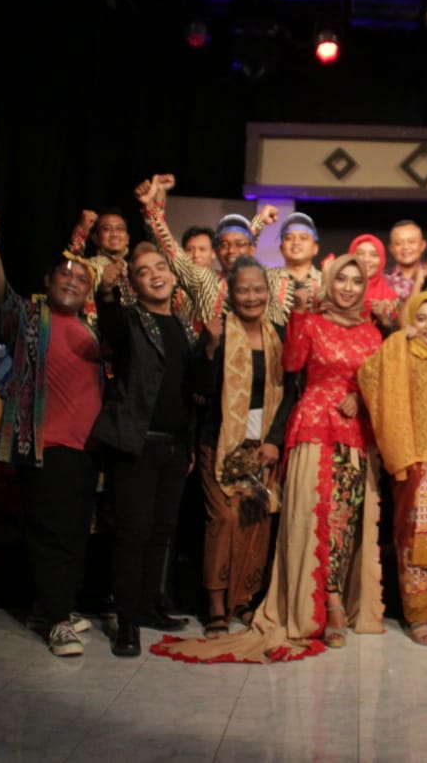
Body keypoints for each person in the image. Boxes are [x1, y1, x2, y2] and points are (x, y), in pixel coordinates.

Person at [152, 255, 384, 663]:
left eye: (356, 281)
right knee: (274, 520)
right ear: (329, 283)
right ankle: (261, 606)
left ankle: (271, 601)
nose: (348, 287)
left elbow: (377, 384)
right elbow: (289, 368)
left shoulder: (368, 334)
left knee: (324, 522)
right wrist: (297, 316)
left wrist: (360, 398)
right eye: (341, 279)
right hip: (285, 434)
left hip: (335, 438)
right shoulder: (301, 324)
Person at [0, 200, 104, 658]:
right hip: (45, 443)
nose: (71, 280)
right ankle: (57, 622)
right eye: (64, 274)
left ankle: (51, 607)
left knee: (74, 533)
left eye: (81, 278)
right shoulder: (30, 317)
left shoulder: (91, 327)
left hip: (86, 448)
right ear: (48, 281)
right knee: (50, 533)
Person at [90, 243, 199, 657]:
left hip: (175, 446)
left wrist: (189, 442)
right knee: (132, 533)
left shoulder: (185, 327)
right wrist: (106, 292)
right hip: (136, 443)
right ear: (133, 284)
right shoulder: (130, 320)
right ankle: (127, 623)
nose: (155, 274)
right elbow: (110, 322)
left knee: (161, 531)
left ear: (172, 276)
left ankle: (151, 606)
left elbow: (188, 391)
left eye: (160, 267)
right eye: (143, 271)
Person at [358, 292, 427, 646]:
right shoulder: (401, 357)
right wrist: (396, 340)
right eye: (421, 318)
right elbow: (367, 375)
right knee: (412, 539)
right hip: (413, 461)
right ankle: (417, 616)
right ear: (411, 322)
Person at [193, 256, 295, 637]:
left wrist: (274, 441)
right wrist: (210, 347)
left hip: (261, 444)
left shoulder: (280, 334)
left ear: (268, 292)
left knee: (255, 518)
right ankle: (216, 606)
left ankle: (244, 601)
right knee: (225, 518)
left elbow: (290, 394)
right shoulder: (217, 332)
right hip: (219, 441)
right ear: (230, 294)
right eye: (243, 290)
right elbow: (200, 391)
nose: (252, 297)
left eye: (258, 289)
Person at [137, 174, 275, 331]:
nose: (231, 250)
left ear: (252, 249)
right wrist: (151, 210)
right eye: (224, 245)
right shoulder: (204, 281)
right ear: (216, 250)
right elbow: (172, 254)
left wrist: (259, 222)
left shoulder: (262, 284)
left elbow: (244, 243)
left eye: (239, 244)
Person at [266, 212, 322, 326]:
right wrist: (260, 222)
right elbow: (242, 258)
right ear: (281, 248)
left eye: (303, 238)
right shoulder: (266, 277)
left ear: (315, 248)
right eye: (289, 238)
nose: (296, 242)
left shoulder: (326, 280)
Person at [349, 233, 400, 333]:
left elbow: (397, 333)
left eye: (374, 255)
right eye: (360, 253)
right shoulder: (339, 289)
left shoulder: (391, 297)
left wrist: (383, 317)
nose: (366, 259)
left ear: (382, 259)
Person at [383, 219, 426, 301]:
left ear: (422, 245)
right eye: (398, 243)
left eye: (411, 242)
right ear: (391, 248)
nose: (405, 247)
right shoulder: (382, 280)